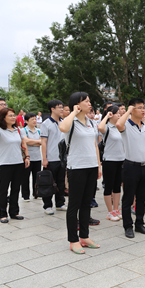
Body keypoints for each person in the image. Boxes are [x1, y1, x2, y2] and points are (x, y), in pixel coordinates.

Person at [59, 92, 101, 254]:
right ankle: (73, 240)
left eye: (90, 101)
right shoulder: (71, 121)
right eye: (86, 101)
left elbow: (95, 145)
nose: (90, 103)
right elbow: (62, 128)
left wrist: (98, 165)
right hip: (76, 167)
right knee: (74, 205)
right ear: (77, 104)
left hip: (91, 166)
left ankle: (84, 236)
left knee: (86, 203)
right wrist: (73, 113)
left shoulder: (91, 122)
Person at [116, 99, 145, 238]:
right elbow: (118, 124)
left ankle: (139, 223)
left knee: (142, 198)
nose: (143, 110)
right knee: (128, 198)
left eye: (144, 107)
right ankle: (128, 226)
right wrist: (128, 110)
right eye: (139, 108)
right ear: (132, 110)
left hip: (144, 166)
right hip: (130, 166)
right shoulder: (126, 125)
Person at [0, 108, 32, 223]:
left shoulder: (18, 130)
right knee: (3, 190)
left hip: (18, 163)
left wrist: (27, 157)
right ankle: (3, 214)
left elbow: (23, 143)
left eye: (14, 115)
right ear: (3, 118)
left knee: (16, 189)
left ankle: (14, 212)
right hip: (5, 164)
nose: (13, 117)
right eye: (10, 116)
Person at [40, 99, 68, 215]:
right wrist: (44, 158)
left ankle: (60, 203)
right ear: (52, 109)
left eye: (62, 107)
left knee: (61, 182)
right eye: (59, 107)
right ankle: (47, 205)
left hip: (62, 158)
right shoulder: (46, 124)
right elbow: (44, 142)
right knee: (48, 182)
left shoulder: (64, 122)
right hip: (51, 158)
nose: (62, 109)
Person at [98, 105, 125, 222]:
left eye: (119, 113)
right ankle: (109, 212)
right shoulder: (107, 127)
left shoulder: (120, 127)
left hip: (121, 160)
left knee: (117, 186)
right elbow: (100, 127)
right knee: (109, 186)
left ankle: (116, 209)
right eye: (117, 113)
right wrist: (107, 116)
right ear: (111, 114)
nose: (119, 115)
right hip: (109, 160)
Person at [20, 113, 42, 201]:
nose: (34, 121)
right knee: (25, 177)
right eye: (32, 119)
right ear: (26, 121)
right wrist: (36, 142)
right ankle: (25, 195)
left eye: (35, 119)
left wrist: (31, 142)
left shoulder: (39, 130)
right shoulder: (23, 130)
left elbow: (42, 142)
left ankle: (36, 193)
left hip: (37, 157)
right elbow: (25, 141)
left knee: (37, 177)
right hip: (27, 157)